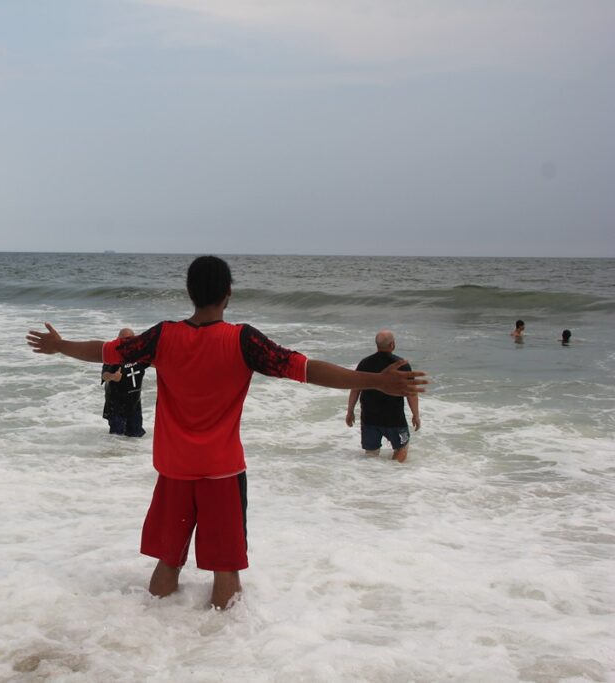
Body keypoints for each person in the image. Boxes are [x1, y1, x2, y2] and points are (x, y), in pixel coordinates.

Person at [26, 256, 427, 610]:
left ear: (190, 292)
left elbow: (106, 350)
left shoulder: (163, 336)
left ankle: (149, 636)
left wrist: (61, 346)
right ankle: (219, 649)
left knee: (167, 562)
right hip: (221, 471)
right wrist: (373, 380)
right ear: (228, 293)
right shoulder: (243, 340)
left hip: (173, 468)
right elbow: (306, 369)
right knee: (226, 571)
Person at [345, 331, 421, 463]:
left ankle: (374, 478)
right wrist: (416, 415)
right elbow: (412, 393)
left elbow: (355, 389)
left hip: (370, 419)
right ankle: (392, 478)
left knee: (371, 454)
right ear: (392, 344)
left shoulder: (365, 363)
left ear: (377, 345)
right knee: (401, 448)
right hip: (394, 420)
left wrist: (350, 411)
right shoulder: (401, 365)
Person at [102, 328, 149, 437]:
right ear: (118, 340)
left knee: (135, 438)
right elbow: (104, 375)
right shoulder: (113, 355)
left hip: (134, 404)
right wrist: (113, 376)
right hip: (116, 405)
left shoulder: (140, 355)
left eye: (129, 339)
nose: (126, 343)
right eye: (123, 340)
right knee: (116, 438)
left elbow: (155, 362)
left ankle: (135, 455)